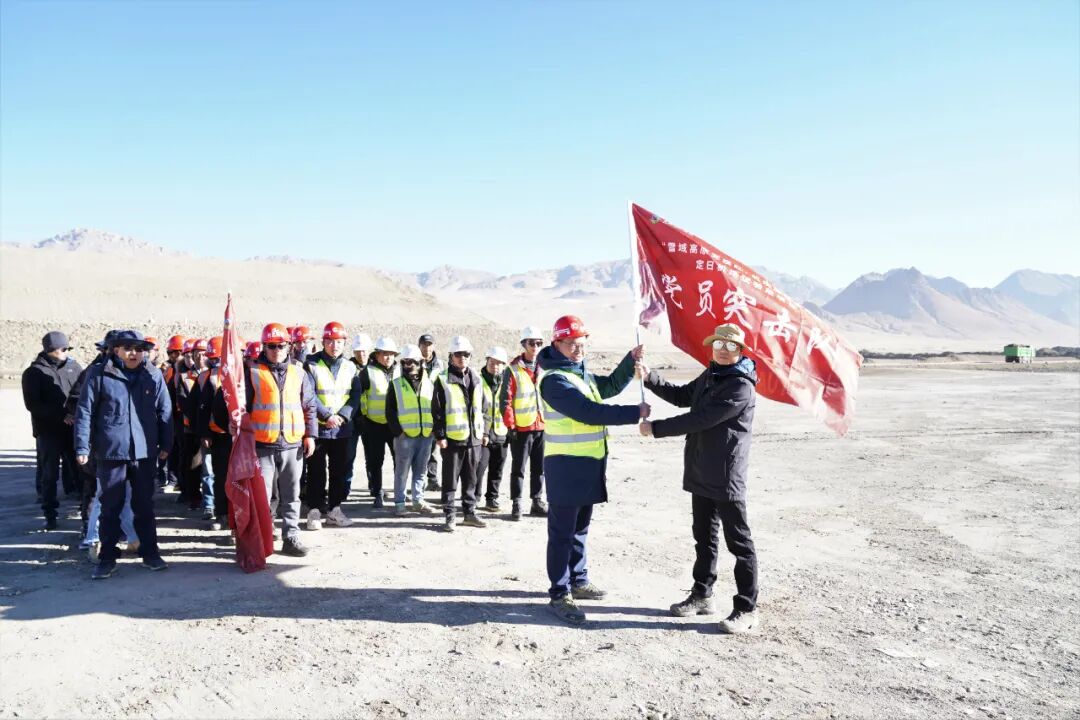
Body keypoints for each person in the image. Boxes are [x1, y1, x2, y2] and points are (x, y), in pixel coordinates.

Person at [639, 323, 760, 634]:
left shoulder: (740, 386)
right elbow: (683, 397)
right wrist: (650, 377)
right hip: (700, 469)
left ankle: (747, 609)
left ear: (740, 350)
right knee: (703, 538)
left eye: (730, 346)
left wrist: (657, 429)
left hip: (725, 474)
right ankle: (702, 595)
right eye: (718, 343)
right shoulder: (711, 375)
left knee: (740, 543)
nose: (722, 349)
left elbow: (702, 419)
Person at [537, 314, 648, 625]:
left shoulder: (580, 375)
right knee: (562, 533)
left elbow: (610, 387)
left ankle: (579, 579)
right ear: (556, 343)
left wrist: (630, 361)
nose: (577, 349)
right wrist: (634, 413)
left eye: (582, 344)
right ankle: (560, 593)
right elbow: (588, 412)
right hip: (565, 465)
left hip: (588, 463)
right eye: (571, 344)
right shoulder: (555, 380)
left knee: (580, 528)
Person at [74, 330, 172, 580]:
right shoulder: (99, 375)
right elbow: (84, 412)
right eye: (127, 348)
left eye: (139, 349)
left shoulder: (153, 375)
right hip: (111, 452)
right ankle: (107, 558)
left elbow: (165, 412)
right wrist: (82, 447)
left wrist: (166, 444)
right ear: (115, 350)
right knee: (110, 507)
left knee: (144, 506)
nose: (134, 353)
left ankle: (150, 554)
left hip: (144, 452)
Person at [246, 323, 317, 556]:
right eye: (271, 346)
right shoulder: (253, 372)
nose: (276, 350)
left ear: (289, 346)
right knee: (262, 498)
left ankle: (291, 536)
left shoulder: (299, 371)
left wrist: (311, 436)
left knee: (291, 495)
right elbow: (242, 409)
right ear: (264, 347)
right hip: (262, 445)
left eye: (281, 345)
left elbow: (309, 406)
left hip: (292, 444)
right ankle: (263, 540)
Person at [303, 321, 363, 530]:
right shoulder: (311, 364)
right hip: (318, 428)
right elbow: (308, 395)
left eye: (339, 342)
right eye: (330, 341)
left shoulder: (350, 366)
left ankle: (335, 510)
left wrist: (343, 416)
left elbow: (355, 396)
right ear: (324, 342)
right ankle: (314, 512)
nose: (334, 346)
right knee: (316, 472)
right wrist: (327, 415)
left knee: (339, 471)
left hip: (341, 430)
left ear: (344, 343)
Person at [22, 331, 83, 529]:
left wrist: (75, 415)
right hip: (48, 431)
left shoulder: (74, 368)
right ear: (50, 350)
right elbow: (33, 404)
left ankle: (86, 512)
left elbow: (81, 395)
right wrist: (61, 416)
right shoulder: (34, 373)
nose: (66, 353)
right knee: (49, 475)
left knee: (81, 471)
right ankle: (50, 514)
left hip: (73, 430)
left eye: (68, 349)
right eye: (63, 349)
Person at [431, 335, 486, 532]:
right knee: (450, 480)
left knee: (471, 478)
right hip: (452, 440)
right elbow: (437, 411)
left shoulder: (477, 379)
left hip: (474, 439)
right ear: (451, 356)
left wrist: (484, 432)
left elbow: (484, 408)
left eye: (466, 354)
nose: (462, 358)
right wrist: (440, 436)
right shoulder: (443, 380)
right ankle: (450, 515)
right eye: (458, 354)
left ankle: (469, 513)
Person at [501, 325, 549, 520]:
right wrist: (510, 425)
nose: (535, 346)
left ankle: (537, 501)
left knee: (539, 468)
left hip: (542, 425)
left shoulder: (545, 368)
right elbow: (506, 400)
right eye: (532, 343)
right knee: (518, 468)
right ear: (523, 344)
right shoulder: (512, 370)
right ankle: (516, 503)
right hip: (521, 428)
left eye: (539, 343)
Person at [385, 344, 437, 516]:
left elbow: (436, 407)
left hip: (425, 435)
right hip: (405, 437)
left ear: (421, 362)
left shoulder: (429, 383)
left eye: (412, 362)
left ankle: (418, 501)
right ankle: (400, 504)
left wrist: (433, 429)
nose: (409, 366)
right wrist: (398, 432)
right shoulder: (396, 385)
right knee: (402, 472)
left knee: (421, 471)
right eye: (405, 362)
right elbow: (390, 411)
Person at [357, 336, 399, 507]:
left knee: (399, 459)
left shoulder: (400, 371)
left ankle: (399, 492)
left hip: (395, 425)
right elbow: (359, 397)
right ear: (377, 355)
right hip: (374, 425)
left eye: (391, 354)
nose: (388, 357)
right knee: (375, 461)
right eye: (384, 354)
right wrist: (363, 421)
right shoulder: (367, 372)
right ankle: (377, 492)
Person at [196, 336, 232, 531]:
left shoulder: (242, 374)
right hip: (217, 436)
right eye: (214, 359)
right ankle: (223, 514)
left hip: (241, 436)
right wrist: (205, 433)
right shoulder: (206, 377)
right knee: (220, 477)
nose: (215, 362)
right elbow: (199, 409)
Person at [478, 346, 511, 512]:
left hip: (501, 433)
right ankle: (474, 497)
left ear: (504, 365)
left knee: (497, 469)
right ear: (487, 361)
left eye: (499, 363)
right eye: (492, 362)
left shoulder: (508, 382)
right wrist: (483, 432)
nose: (495, 366)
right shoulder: (478, 380)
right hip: (482, 434)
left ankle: (492, 498)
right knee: (479, 467)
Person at [343, 333, 373, 496]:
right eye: (357, 351)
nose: (361, 354)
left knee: (372, 457)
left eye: (364, 351)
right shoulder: (346, 367)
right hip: (352, 419)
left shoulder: (375, 368)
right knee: (348, 457)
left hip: (370, 419)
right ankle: (345, 488)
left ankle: (374, 487)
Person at [418, 333, 444, 491]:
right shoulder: (413, 362)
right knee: (421, 449)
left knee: (434, 448)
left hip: (435, 411)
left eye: (429, 345)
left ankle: (432, 479)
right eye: (424, 345)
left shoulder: (441, 365)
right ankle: (419, 480)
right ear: (419, 346)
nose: (426, 348)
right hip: (417, 411)